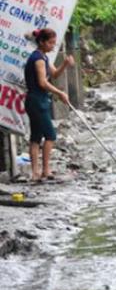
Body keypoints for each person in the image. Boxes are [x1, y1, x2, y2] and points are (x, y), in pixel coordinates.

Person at [24, 28, 74, 181]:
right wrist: (60, 93)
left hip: (37, 100)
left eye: (54, 42)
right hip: (36, 101)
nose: (53, 46)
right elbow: (42, 82)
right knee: (50, 135)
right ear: (42, 42)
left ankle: (35, 173)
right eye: (51, 43)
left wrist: (65, 64)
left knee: (36, 137)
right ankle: (45, 170)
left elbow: (54, 74)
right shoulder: (38, 59)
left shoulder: (44, 57)